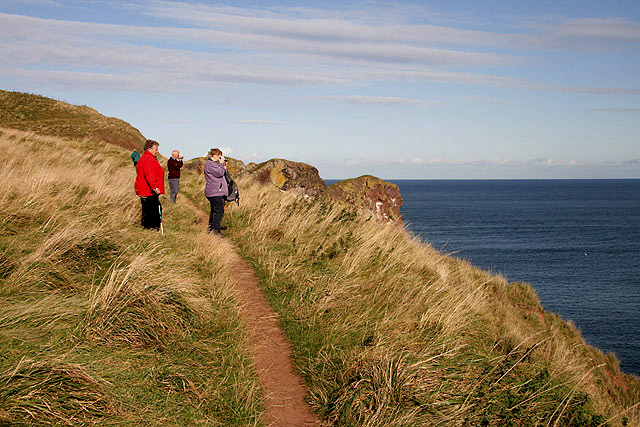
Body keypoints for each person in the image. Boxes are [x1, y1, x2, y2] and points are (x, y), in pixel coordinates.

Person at [135, 140, 165, 230]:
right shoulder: (148, 159)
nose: (157, 151)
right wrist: (154, 187)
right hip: (148, 190)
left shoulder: (147, 158)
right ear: (150, 149)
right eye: (156, 149)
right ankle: (152, 228)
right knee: (152, 210)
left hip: (146, 189)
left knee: (148, 209)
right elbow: (149, 174)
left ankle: (148, 227)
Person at [204, 148, 227, 234]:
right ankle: (216, 230)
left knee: (214, 210)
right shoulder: (210, 164)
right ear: (215, 155)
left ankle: (211, 228)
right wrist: (221, 165)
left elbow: (223, 172)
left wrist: (223, 165)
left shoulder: (212, 164)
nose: (220, 158)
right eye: (219, 156)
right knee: (219, 211)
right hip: (215, 191)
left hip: (215, 191)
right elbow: (220, 173)